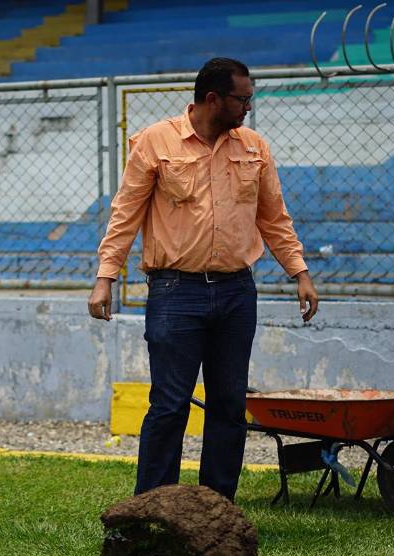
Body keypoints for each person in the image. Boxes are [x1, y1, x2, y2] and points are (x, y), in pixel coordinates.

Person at [88, 57, 318, 502]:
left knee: (229, 405)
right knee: (170, 405)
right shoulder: (156, 142)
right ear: (213, 99)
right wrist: (105, 277)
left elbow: (274, 217)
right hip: (176, 292)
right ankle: (153, 507)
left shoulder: (253, 146)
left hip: (237, 291)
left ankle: (217, 508)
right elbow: (125, 214)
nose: (248, 106)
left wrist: (300, 272)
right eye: (242, 98)